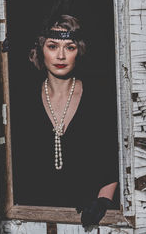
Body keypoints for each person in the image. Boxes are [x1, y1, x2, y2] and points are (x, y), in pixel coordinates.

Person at [10, 12, 119, 227]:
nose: (60, 56)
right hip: (33, 218)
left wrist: (103, 202)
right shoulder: (21, 100)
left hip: (87, 220)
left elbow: (113, 160)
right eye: (52, 46)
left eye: (69, 47)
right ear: (41, 50)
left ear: (79, 51)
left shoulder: (99, 98)